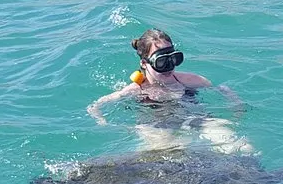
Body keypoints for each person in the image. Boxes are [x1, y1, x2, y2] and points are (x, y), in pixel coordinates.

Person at [87, 28, 253, 154]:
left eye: (173, 59)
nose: (168, 67)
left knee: (243, 148)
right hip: (157, 127)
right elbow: (95, 106)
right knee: (168, 154)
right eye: (161, 62)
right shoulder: (136, 89)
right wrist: (105, 123)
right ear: (145, 63)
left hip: (196, 119)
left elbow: (221, 88)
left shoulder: (187, 80)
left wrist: (236, 107)